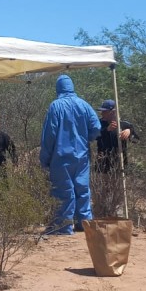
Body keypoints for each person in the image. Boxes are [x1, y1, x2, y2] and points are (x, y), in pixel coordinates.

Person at [39, 74, 101, 235]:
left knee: (63, 190)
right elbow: (96, 127)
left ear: (58, 88)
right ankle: (85, 223)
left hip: (61, 156)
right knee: (82, 189)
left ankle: (63, 226)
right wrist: (86, 139)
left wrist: (44, 158)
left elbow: (49, 135)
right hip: (82, 155)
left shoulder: (56, 106)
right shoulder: (84, 105)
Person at [95, 99, 137, 173]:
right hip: (102, 165)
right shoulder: (98, 124)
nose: (102, 113)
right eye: (102, 111)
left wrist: (130, 131)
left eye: (105, 111)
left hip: (120, 164)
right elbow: (94, 136)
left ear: (113, 112)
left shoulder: (124, 125)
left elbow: (136, 140)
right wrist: (107, 130)